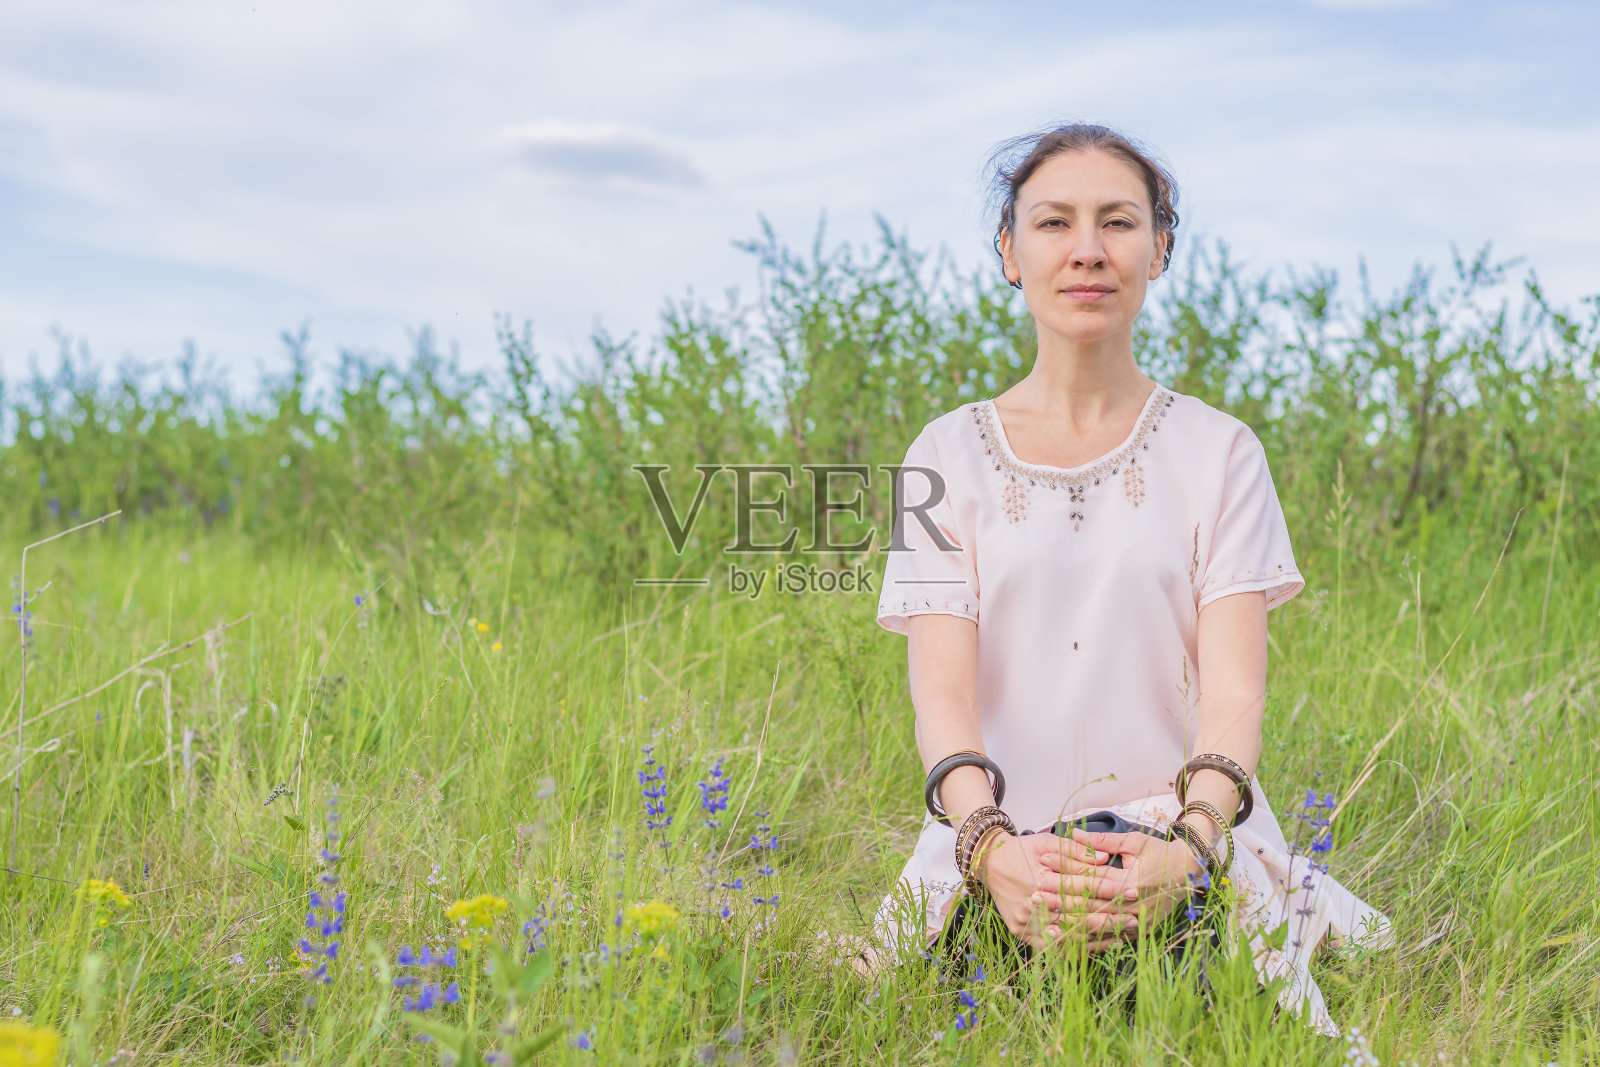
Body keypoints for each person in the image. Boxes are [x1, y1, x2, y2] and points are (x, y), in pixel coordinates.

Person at [868, 123, 1392, 1035]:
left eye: (1117, 222)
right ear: (1008, 251)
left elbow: (1233, 694)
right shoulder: (941, 453)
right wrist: (994, 853)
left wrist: (1185, 850)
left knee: (1213, 1019)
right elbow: (941, 696)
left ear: (1160, 248)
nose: (1086, 251)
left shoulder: (1220, 451)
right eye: (1053, 223)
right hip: (996, 844)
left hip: (1179, 840)